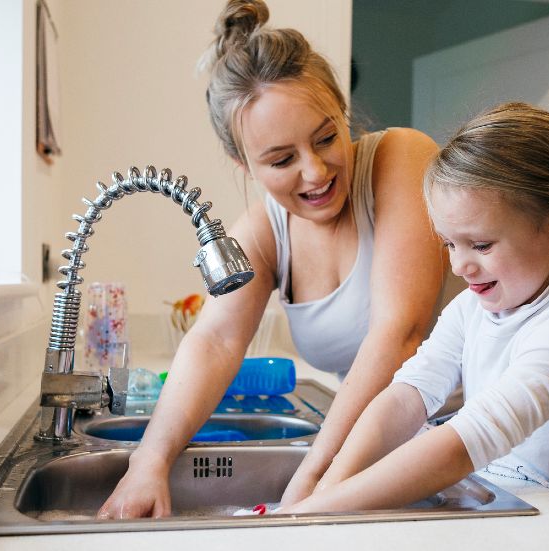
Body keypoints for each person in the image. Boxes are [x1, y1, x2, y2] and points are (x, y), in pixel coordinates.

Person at [97, 0, 444, 519]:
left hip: (487, 439)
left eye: (327, 137)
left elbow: (399, 333)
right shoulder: (264, 233)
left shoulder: (400, 159)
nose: (315, 171)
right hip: (392, 451)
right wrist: (149, 460)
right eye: (282, 159)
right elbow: (215, 341)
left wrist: (309, 476)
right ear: (244, 164)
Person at [279, 102, 549, 534]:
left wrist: (313, 513)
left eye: (482, 245)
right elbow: (407, 396)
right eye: (450, 244)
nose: (459, 267)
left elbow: (460, 446)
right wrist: (321, 492)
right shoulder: (473, 309)